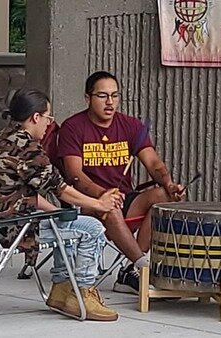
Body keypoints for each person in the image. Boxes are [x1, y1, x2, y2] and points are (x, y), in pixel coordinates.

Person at [0, 89, 121, 321]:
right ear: (35, 117)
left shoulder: (1, 138)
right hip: (14, 227)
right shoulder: (28, 149)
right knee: (92, 228)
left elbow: (22, 194)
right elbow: (61, 188)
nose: (48, 124)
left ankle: (62, 290)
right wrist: (99, 204)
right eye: (48, 118)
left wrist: (57, 212)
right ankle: (82, 293)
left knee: (69, 219)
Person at [57, 71, 185, 295]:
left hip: (125, 197)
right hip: (87, 203)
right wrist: (102, 195)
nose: (110, 102)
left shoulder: (131, 125)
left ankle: (128, 271)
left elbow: (153, 162)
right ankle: (143, 267)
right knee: (110, 207)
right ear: (88, 98)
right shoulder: (73, 127)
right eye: (102, 96)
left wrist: (169, 184)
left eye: (115, 96)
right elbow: (74, 174)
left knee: (163, 198)